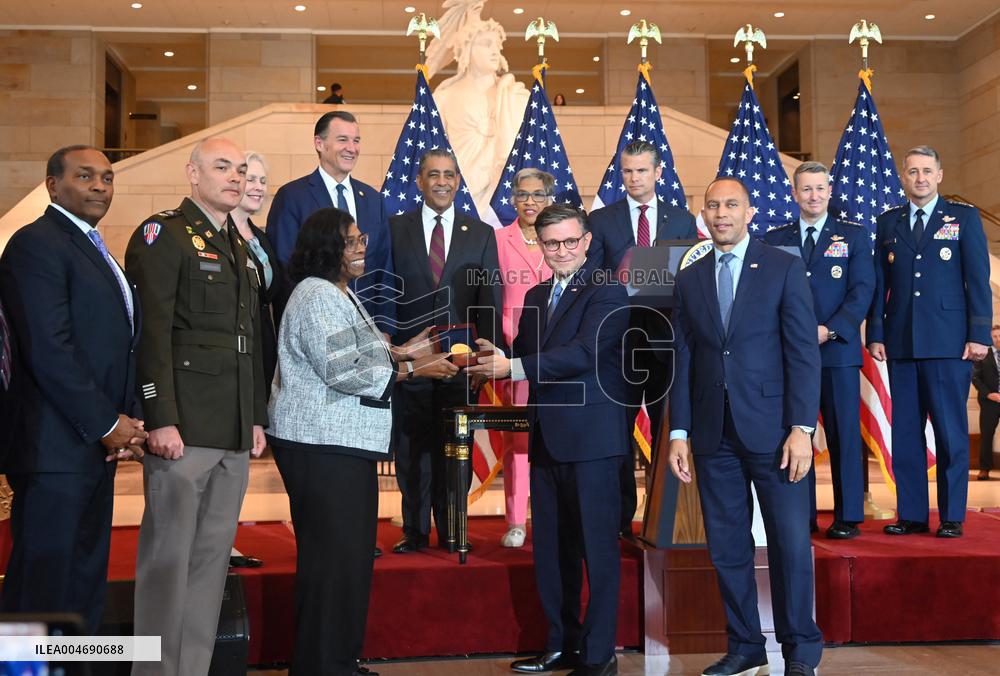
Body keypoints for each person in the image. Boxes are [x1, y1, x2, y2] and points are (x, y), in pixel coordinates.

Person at [267, 208, 456, 676]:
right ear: (326, 248)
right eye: (351, 241)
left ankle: (339, 661)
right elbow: (343, 369)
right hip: (320, 444)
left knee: (348, 560)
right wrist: (416, 369)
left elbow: (363, 353)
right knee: (332, 564)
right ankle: (320, 666)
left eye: (360, 239)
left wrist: (409, 348)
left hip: (341, 445)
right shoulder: (314, 294)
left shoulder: (339, 292)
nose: (360, 248)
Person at [667, 178, 823, 676]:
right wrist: (679, 432)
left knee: (790, 544)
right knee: (728, 547)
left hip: (778, 434)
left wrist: (802, 426)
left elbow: (802, 352)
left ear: (750, 212)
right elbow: (685, 359)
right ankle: (745, 645)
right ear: (703, 214)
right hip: (715, 436)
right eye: (712, 205)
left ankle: (801, 650)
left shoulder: (783, 266)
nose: (721, 214)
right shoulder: (690, 278)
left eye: (731, 205)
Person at [125, 137, 268, 676]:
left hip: (229, 429)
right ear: (192, 172)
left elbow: (247, 337)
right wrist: (160, 418)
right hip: (182, 429)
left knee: (210, 565)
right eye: (221, 167)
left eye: (240, 168)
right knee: (168, 565)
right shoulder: (164, 234)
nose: (235, 176)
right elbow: (152, 334)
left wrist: (253, 415)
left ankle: (191, 669)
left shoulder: (237, 242)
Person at [469, 204, 630, 676]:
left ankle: (599, 656)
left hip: (593, 440)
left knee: (597, 553)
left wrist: (513, 368)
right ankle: (561, 644)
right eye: (550, 243)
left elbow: (581, 354)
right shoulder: (538, 296)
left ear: (585, 241)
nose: (560, 251)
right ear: (539, 245)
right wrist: (498, 354)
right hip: (547, 438)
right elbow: (525, 352)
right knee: (554, 554)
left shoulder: (607, 289)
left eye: (568, 242)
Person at [0, 145, 146, 633]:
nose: (100, 186)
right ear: (52, 184)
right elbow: (50, 348)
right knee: (42, 590)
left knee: (82, 586)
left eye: (107, 177)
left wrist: (124, 420)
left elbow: (115, 346)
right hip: (53, 449)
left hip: (90, 449)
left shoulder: (94, 248)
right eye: (85, 176)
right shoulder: (36, 243)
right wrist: (107, 423)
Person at [867, 145, 991, 539]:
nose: (919, 178)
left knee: (951, 433)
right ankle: (913, 514)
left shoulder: (963, 218)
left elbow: (978, 279)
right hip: (901, 344)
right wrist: (876, 334)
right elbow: (879, 286)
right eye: (912, 171)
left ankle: (953, 515)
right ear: (903, 178)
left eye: (926, 171)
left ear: (939, 175)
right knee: (904, 433)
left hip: (949, 344)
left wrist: (979, 334)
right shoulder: (888, 224)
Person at [389, 148, 503, 554]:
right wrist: (394, 350)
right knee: (412, 449)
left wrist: (487, 358)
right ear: (419, 181)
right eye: (433, 174)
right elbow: (386, 294)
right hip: (414, 362)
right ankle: (415, 532)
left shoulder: (480, 233)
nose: (442, 181)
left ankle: (454, 531)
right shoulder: (394, 229)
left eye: (449, 175)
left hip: (461, 365)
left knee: (455, 452)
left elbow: (490, 298)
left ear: (458, 181)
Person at [588, 140, 698, 536]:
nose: (633, 178)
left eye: (641, 171)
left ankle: (664, 518)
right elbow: (592, 280)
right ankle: (619, 522)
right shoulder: (601, 221)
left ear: (658, 173)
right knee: (617, 435)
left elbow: (691, 278)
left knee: (672, 431)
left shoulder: (683, 220)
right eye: (627, 171)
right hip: (619, 346)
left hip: (667, 346)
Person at [763, 161, 875, 539]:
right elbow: (765, 295)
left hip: (837, 351)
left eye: (819, 188)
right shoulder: (775, 238)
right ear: (794, 194)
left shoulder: (854, 237)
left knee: (843, 432)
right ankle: (801, 513)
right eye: (806, 189)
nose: (813, 195)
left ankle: (848, 516)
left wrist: (830, 330)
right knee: (795, 433)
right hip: (789, 355)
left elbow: (862, 291)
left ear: (830, 192)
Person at [266, 111, 394, 333]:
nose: (351, 148)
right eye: (342, 140)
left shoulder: (374, 200)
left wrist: (384, 329)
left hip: (368, 332)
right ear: (319, 143)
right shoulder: (292, 197)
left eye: (356, 141)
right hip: (315, 330)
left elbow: (384, 269)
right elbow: (285, 269)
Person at [493, 168, 555, 547]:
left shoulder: (560, 239)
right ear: (513, 199)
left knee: (555, 437)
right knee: (517, 442)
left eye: (537, 195)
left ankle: (551, 517)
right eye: (522, 194)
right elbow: (495, 297)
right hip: (514, 355)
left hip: (556, 355)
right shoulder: (498, 239)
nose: (529, 201)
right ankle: (516, 521)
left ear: (550, 199)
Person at [427, 3, 529, 216]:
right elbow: (431, 152)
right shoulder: (443, 98)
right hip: (459, 197)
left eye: (497, 45)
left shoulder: (515, 95)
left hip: (502, 196)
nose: (495, 50)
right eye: (486, 44)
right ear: (467, 48)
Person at [231, 151, 282, 394]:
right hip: (233, 352)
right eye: (251, 179)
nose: (258, 187)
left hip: (263, 347)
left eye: (262, 181)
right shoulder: (219, 234)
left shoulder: (262, 238)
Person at [972, 325, 1000, 481]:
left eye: (999, 335)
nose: (998, 339)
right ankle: (984, 469)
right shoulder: (983, 354)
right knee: (987, 436)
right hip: (989, 402)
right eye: (994, 336)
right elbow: (975, 378)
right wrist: (989, 394)